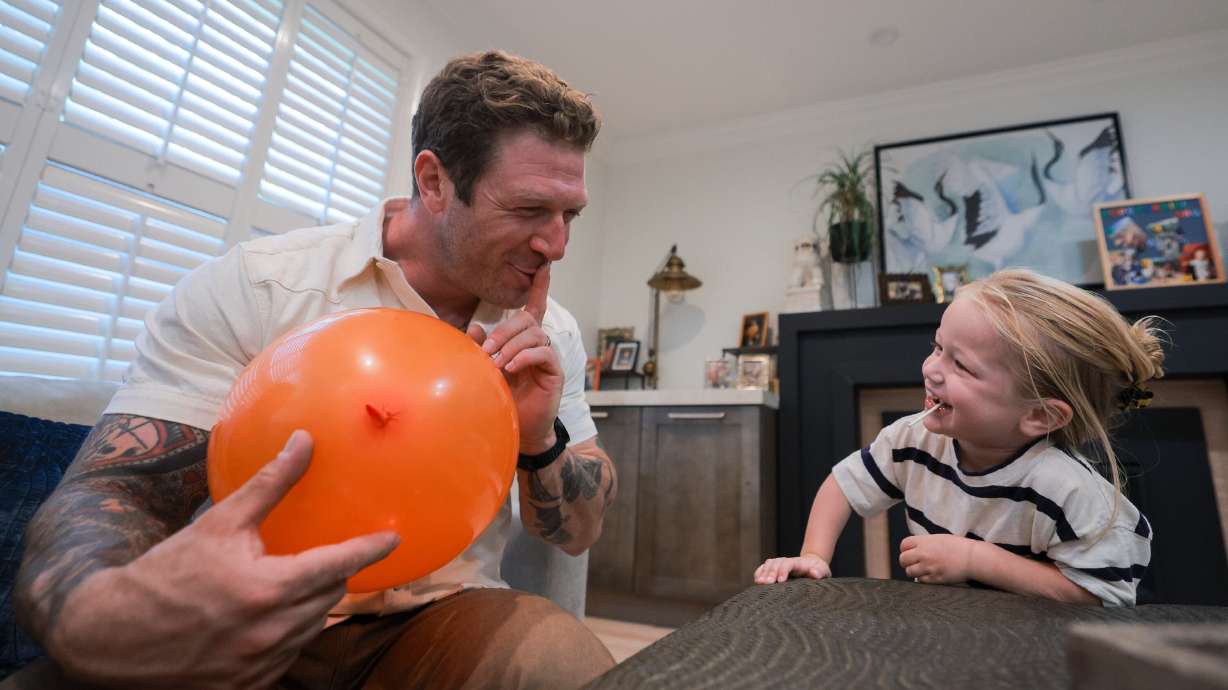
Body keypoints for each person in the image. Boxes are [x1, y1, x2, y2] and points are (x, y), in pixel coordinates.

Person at [10, 51, 617, 689]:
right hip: (246, 609)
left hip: (440, 617)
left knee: (559, 666)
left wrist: (538, 442)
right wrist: (101, 615)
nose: (557, 245)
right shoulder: (261, 287)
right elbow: (115, 489)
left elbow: (577, 534)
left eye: (568, 215)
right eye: (527, 211)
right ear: (434, 182)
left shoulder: (550, 334)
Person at [754, 268, 1162, 607]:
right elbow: (842, 486)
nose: (932, 369)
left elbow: (1103, 598)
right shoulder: (913, 439)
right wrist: (813, 556)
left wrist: (975, 560)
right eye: (937, 347)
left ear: (1039, 415)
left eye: (961, 366)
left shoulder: (1068, 489)